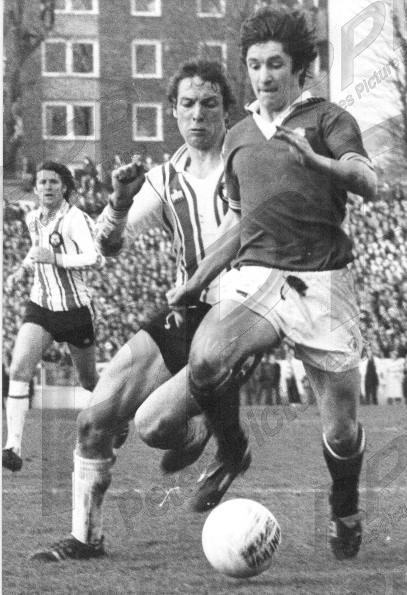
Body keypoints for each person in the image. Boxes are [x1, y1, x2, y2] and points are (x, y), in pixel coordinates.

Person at [168, 6, 376, 560]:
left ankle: (345, 505)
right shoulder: (238, 136)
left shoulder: (329, 119)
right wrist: (196, 281)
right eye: (255, 65)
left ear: (299, 68)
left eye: (275, 64)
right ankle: (232, 451)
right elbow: (239, 224)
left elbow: (368, 180)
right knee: (206, 358)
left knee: (341, 431)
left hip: (322, 284)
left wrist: (319, 163)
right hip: (258, 278)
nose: (264, 76)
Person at [31, 60, 237, 562]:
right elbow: (107, 245)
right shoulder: (165, 178)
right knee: (94, 420)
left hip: (242, 314)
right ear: (173, 112)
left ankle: (214, 430)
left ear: (226, 111)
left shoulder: (246, 164)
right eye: (187, 104)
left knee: (153, 427)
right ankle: (86, 539)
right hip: (187, 310)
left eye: (209, 103)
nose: (198, 114)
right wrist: (121, 202)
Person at [2, 161, 103, 472]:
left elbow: (95, 258)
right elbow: (36, 250)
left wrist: (56, 258)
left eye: (53, 182)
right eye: (42, 182)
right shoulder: (33, 218)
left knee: (89, 380)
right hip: (41, 306)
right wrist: (22, 270)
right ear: (35, 188)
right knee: (19, 369)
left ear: (65, 187)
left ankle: (116, 412)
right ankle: (12, 446)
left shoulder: (76, 219)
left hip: (75, 311)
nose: (47, 186)